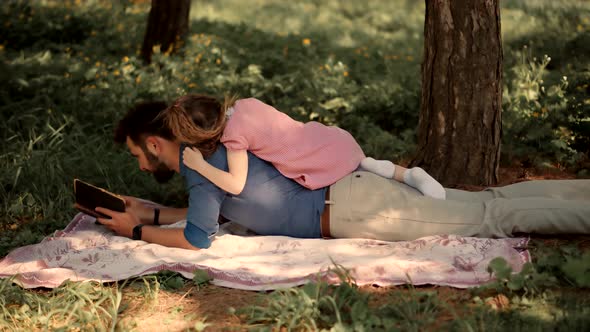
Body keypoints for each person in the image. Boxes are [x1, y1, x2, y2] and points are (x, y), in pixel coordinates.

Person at [95, 101, 590, 250]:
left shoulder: (200, 166)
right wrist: (153, 210)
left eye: (139, 155)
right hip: (348, 190)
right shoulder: (216, 148)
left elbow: (201, 236)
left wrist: (138, 230)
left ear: (156, 143)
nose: (141, 165)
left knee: (488, 216)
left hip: (351, 208)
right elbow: (221, 211)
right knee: (491, 201)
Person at [159, 94, 446, 199]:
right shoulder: (244, 105)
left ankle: (407, 185)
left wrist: (198, 165)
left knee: (357, 180)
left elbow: (236, 185)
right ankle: (408, 174)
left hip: (315, 158)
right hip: (328, 139)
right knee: (362, 161)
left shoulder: (234, 137)